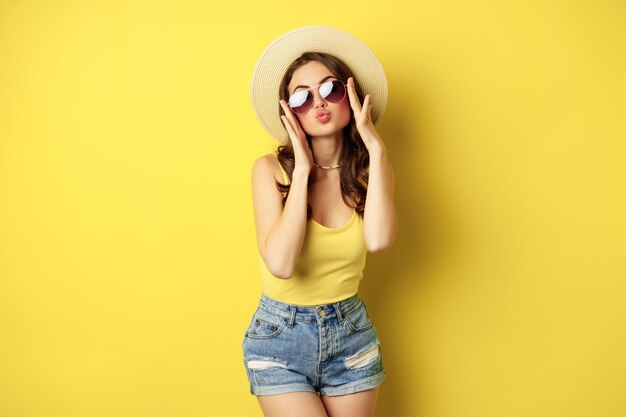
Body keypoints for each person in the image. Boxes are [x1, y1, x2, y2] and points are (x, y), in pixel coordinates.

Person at [243, 26, 397, 417]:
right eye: (301, 97)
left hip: (351, 334)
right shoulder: (270, 171)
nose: (319, 103)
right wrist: (302, 171)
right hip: (280, 337)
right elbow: (280, 263)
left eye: (330, 89)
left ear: (352, 96)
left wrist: (376, 151)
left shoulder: (371, 171)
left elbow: (379, 241)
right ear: (288, 112)